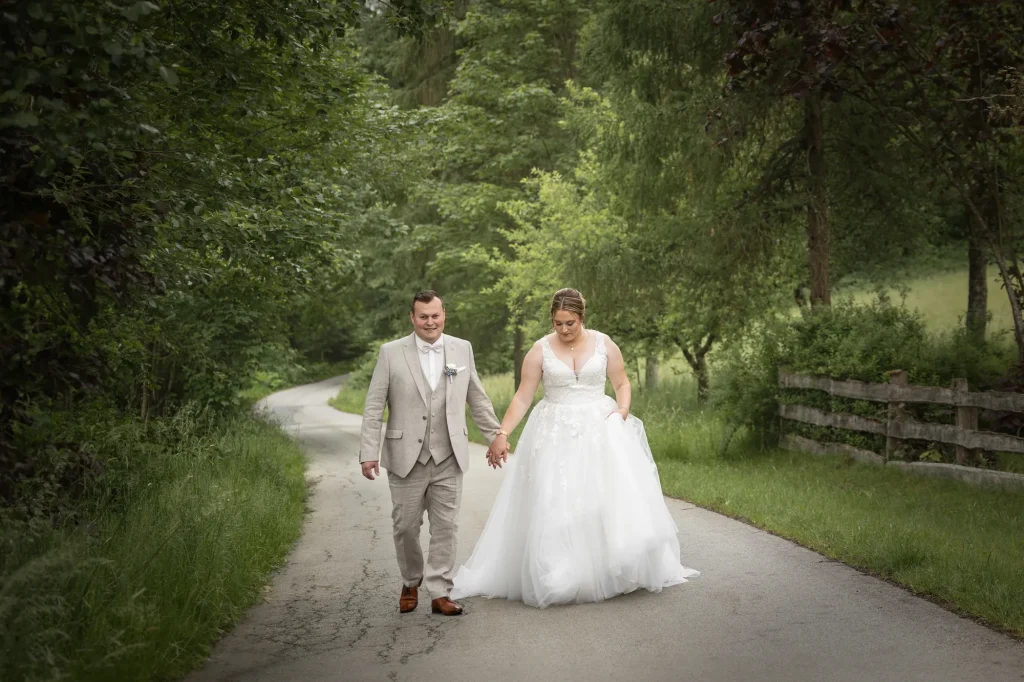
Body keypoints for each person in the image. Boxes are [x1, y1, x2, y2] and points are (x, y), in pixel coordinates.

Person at [450, 288, 699, 608]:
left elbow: (622, 383)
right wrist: (502, 432)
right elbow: (524, 396)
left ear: (582, 318)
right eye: (558, 324)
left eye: (570, 323)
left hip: (600, 426)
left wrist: (622, 410)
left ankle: (612, 568)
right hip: (554, 430)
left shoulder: (604, 343)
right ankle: (561, 572)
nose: (564, 330)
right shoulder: (539, 351)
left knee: (603, 496)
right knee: (558, 499)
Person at [359, 290, 507, 616]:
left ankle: (440, 591)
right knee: (405, 527)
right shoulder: (390, 353)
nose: (430, 322)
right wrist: (368, 451)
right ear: (412, 318)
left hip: (449, 455)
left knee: (446, 527)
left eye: (435, 315)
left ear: (444, 315)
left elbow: (477, 397)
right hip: (404, 457)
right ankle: (411, 580)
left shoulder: (461, 349)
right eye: (423, 316)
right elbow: (373, 407)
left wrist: (496, 435)